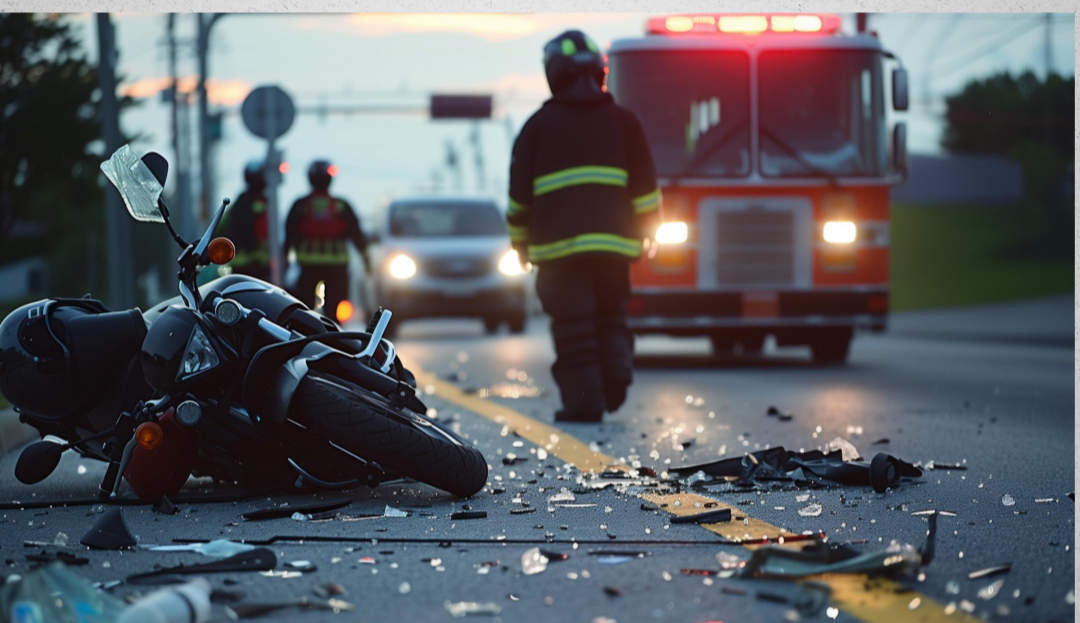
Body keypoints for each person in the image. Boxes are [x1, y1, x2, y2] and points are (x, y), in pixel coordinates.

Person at [507, 29, 661, 423]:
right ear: (599, 71)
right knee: (611, 316)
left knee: (574, 328)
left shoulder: (536, 128)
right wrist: (649, 231)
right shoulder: (626, 122)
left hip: (559, 255)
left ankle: (585, 404)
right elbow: (646, 189)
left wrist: (521, 247)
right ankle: (617, 376)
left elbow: (518, 200)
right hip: (615, 251)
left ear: (553, 74)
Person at [283, 159, 370, 321]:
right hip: (337, 266)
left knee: (305, 308)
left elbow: (289, 236)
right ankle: (335, 336)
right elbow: (357, 236)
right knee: (335, 309)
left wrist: (285, 265)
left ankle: (307, 334)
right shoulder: (342, 206)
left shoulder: (301, 206)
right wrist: (367, 262)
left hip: (308, 266)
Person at [216, 160, 271, 283]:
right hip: (259, 264)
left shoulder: (240, 202)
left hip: (240, 263)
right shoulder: (265, 203)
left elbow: (219, 229)